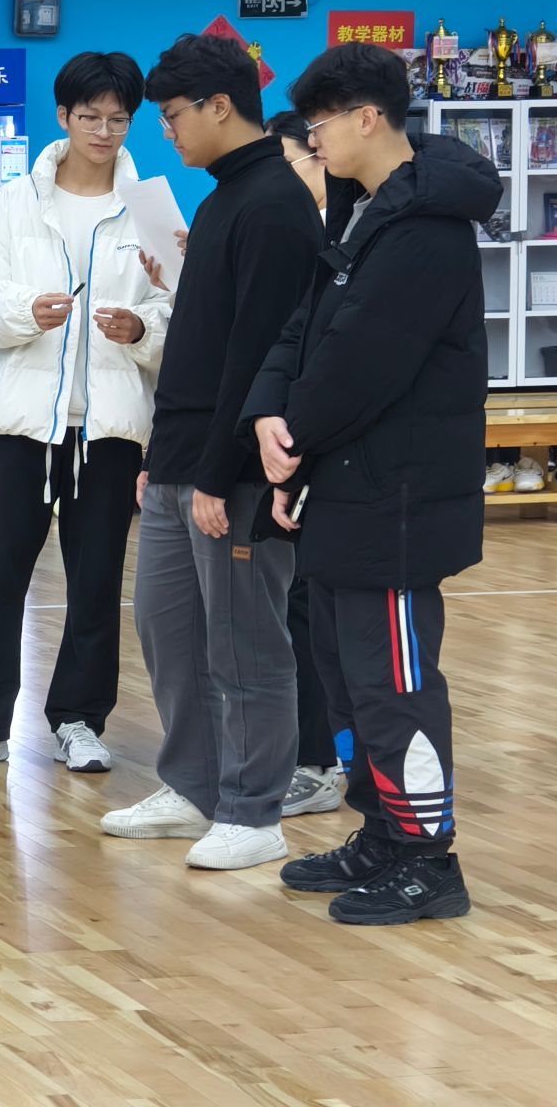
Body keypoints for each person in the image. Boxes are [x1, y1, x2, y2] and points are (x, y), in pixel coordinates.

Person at [244, 42, 498, 924]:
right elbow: (306, 328)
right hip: (348, 484)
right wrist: (270, 418)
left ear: (366, 118)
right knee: (347, 673)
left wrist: (297, 439)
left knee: (395, 681)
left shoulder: (425, 231)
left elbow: (363, 363)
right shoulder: (363, 211)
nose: (312, 142)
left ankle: (428, 858)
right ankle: (385, 833)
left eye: (318, 126)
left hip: (398, 497)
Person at [100, 34, 320, 870]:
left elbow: (260, 358)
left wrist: (222, 474)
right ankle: (193, 785)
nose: (166, 132)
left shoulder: (273, 206)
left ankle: (253, 809)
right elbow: (201, 345)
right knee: (169, 632)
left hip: (231, 473)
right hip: (180, 458)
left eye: (172, 115)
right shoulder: (225, 197)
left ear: (221, 106)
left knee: (244, 642)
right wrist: (164, 457)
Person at [0, 52, 170, 774]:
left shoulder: (152, 208)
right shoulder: (14, 203)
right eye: (90, 117)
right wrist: (25, 312)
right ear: (64, 116)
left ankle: (79, 720)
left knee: (96, 580)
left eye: (118, 119)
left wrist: (141, 328)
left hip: (110, 431)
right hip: (24, 428)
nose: (104, 132)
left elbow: (181, 310)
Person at [264, 109, 346, 819]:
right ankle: (307, 753)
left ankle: (320, 761)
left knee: (311, 608)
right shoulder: (288, 232)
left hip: (322, 447)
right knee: (293, 605)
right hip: (284, 440)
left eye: (287, 161)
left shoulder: (341, 241)